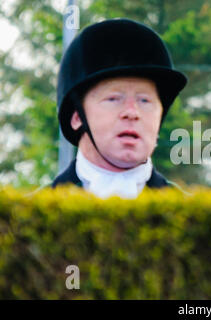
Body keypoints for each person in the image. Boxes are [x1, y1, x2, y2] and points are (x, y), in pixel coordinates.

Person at [52, 18, 187, 199]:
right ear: (76, 117)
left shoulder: (199, 219)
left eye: (145, 100)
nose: (132, 112)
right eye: (113, 99)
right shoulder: (25, 216)